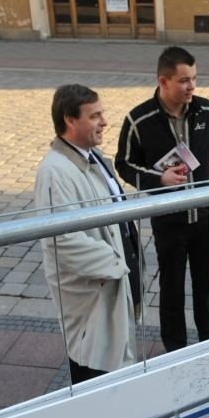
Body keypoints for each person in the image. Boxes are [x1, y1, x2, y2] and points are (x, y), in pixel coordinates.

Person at [116, 46, 209, 352]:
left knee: (204, 286)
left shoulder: (207, 111)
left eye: (194, 78)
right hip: (169, 220)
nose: (192, 86)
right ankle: (175, 352)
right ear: (163, 81)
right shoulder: (139, 119)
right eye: (184, 80)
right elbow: (124, 163)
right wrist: (159, 181)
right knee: (171, 289)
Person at [35, 84, 139, 384]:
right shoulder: (55, 171)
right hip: (91, 302)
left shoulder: (93, 157)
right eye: (95, 116)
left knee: (115, 367)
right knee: (94, 374)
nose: (104, 122)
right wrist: (117, 264)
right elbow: (61, 241)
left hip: (109, 290)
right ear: (70, 120)